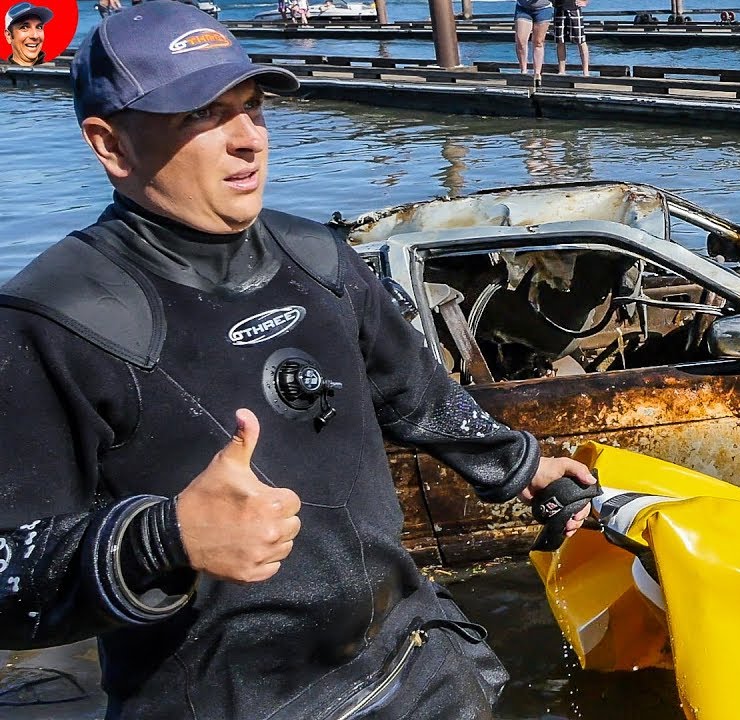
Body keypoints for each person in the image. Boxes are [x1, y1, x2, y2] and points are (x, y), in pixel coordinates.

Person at [0, 2, 595, 718]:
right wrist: (164, 538)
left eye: (253, 108)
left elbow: (414, 392)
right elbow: (10, 577)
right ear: (111, 145)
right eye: (202, 116)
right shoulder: (58, 318)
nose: (248, 139)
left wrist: (519, 466)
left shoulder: (317, 258)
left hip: (414, 670)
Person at [514, 0, 553, 80]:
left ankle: (537, 73)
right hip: (523, 8)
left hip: (543, 8)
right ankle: (523, 71)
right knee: (520, 40)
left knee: (538, 42)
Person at [3, 1, 51, 66]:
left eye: (39, 27)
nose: (35, 36)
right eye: (24, 27)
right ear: (9, 36)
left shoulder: (62, 72)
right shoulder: (3, 75)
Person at [553, 0, 589, 76]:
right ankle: (562, 71)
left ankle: (586, 72)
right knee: (560, 40)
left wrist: (585, 1)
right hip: (559, 9)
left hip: (574, 9)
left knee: (580, 40)